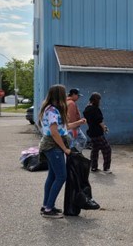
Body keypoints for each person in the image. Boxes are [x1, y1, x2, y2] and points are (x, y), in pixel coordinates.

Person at [38, 84, 85, 218]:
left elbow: (63, 127)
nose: (66, 96)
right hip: (53, 146)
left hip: (52, 146)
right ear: (59, 95)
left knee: (52, 176)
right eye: (63, 94)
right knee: (61, 176)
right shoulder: (52, 110)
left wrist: (79, 123)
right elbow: (54, 133)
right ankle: (48, 209)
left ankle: (47, 205)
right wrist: (65, 149)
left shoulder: (52, 109)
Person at [83, 92, 113, 173]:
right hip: (97, 133)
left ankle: (93, 167)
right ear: (97, 100)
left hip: (91, 132)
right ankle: (106, 168)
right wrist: (105, 128)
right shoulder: (95, 109)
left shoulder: (87, 109)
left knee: (95, 149)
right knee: (107, 149)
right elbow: (100, 121)